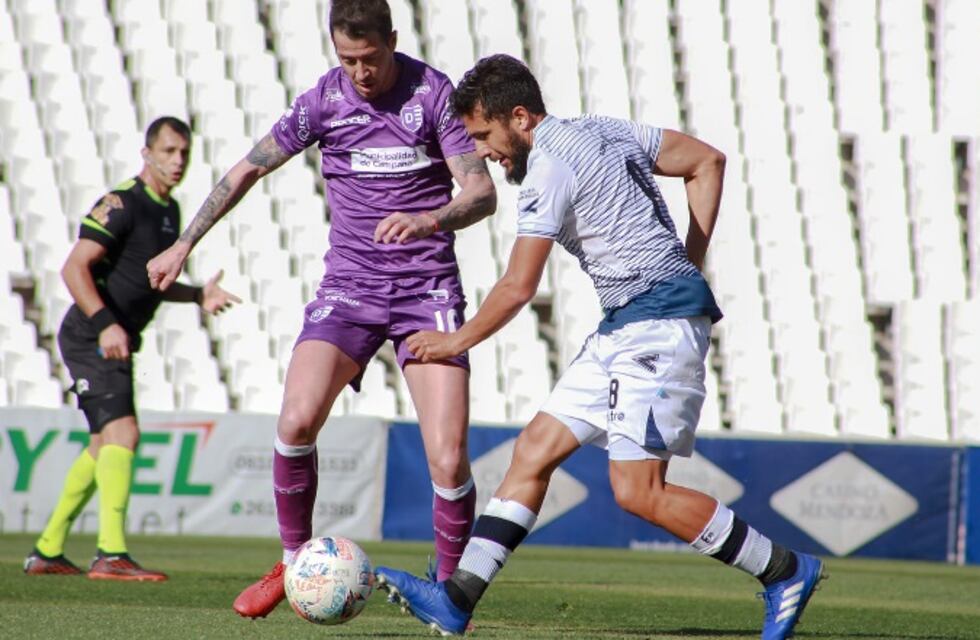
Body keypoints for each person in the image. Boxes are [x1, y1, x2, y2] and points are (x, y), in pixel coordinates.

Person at [374, 55, 827, 640]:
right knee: (534, 450)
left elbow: (517, 287)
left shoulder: (547, 170)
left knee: (638, 492)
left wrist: (453, 342)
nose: (484, 151)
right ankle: (457, 598)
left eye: (486, 135)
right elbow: (706, 161)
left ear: (520, 116)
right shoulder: (603, 128)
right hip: (628, 323)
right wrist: (690, 260)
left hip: (657, 327)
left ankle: (784, 570)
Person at [146, 0, 496, 619]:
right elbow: (247, 171)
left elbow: (481, 191)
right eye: (347, 59)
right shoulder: (322, 102)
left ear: (393, 39)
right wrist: (184, 242)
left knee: (448, 455)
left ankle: (446, 592)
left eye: (370, 57)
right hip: (351, 288)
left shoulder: (433, 94)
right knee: (296, 420)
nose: (360, 72)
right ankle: (291, 561)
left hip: (426, 291)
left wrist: (428, 219)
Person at [23, 116, 240, 581]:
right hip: (90, 336)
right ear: (146, 153)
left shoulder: (171, 212)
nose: (177, 160)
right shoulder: (121, 203)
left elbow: (152, 282)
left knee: (104, 445)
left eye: (183, 152)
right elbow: (73, 268)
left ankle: (47, 550)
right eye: (168, 151)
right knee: (124, 436)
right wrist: (104, 325)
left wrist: (198, 293)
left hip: (114, 340)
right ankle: (110, 554)